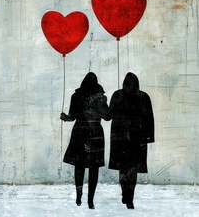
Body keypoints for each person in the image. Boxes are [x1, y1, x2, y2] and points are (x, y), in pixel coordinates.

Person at [60, 72, 108, 209]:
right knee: (94, 168)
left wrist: (64, 117)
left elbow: (71, 116)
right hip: (95, 134)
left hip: (80, 132)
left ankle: (78, 196)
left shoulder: (76, 96)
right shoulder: (101, 97)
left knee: (79, 166)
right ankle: (90, 200)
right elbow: (107, 117)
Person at [106, 72, 154, 209]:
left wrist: (101, 107)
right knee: (132, 170)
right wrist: (149, 137)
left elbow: (109, 116)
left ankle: (125, 194)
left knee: (124, 169)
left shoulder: (117, 95)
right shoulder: (144, 97)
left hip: (120, 139)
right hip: (137, 140)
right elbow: (149, 119)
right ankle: (129, 198)